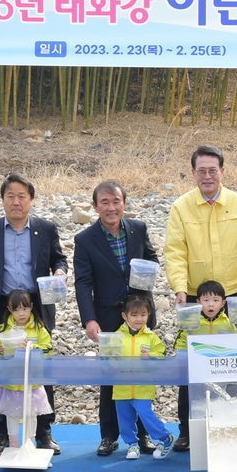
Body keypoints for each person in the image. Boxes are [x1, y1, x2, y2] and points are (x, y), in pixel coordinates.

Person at [164, 145, 237, 451]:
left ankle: (231, 422)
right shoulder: (181, 207)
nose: (207, 176)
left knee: (233, 362)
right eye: (201, 171)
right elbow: (175, 251)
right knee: (190, 365)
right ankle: (188, 429)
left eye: (213, 170)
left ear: (223, 171)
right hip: (193, 297)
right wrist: (179, 288)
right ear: (193, 173)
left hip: (232, 295)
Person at [0, 173, 68, 455]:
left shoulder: (45, 229)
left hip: (37, 303)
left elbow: (58, 258)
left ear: (31, 200)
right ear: (2, 200)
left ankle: (44, 431)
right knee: (4, 365)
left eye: (22, 196)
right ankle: (2, 432)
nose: (16, 201)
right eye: (10, 196)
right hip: (3, 305)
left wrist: (60, 271)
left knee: (41, 364)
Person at [73, 179, 160, 457]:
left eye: (116, 201)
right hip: (108, 318)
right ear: (96, 206)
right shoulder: (85, 240)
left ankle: (143, 436)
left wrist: (148, 270)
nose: (111, 207)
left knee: (142, 377)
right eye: (105, 202)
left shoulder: (138, 228)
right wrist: (89, 319)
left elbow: (152, 258)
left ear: (124, 203)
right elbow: (83, 283)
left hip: (139, 314)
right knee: (111, 377)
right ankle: (109, 436)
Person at [113, 292, 175, 460]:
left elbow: (161, 353)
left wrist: (152, 357)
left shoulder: (152, 337)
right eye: (134, 315)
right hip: (121, 387)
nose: (139, 319)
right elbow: (108, 357)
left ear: (149, 315)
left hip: (143, 386)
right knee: (124, 419)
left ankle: (165, 438)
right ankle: (132, 445)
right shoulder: (116, 337)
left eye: (143, 314)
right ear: (124, 316)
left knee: (145, 413)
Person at [0, 288, 54, 450]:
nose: (21, 313)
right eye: (17, 309)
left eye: (25, 308)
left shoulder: (39, 328)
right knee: (11, 414)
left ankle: (29, 444)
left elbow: (48, 349)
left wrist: (33, 347)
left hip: (32, 382)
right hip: (11, 382)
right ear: (9, 310)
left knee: (31, 414)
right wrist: (1, 350)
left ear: (31, 307)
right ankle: (12, 444)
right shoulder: (3, 329)